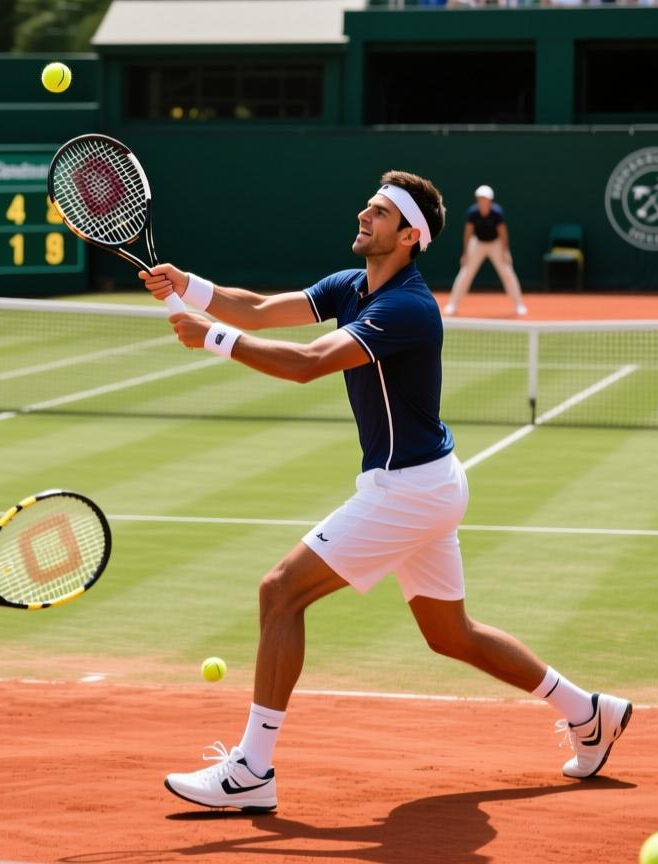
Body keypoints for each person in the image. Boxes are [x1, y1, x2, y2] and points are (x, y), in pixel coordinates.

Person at [141, 170, 631, 813]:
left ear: (408, 235)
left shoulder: (406, 307)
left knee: (280, 592)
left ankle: (252, 771)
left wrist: (213, 338)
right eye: (368, 207)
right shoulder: (351, 286)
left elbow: (311, 362)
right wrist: (191, 288)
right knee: (450, 634)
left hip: (408, 490)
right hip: (429, 480)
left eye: (378, 212)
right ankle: (589, 711)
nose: (363, 215)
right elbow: (261, 309)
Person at [443, 185, 527, 317]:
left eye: (485, 199)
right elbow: (468, 233)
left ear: (490, 200)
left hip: (495, 243)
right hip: (477, 243)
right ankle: (452, 305)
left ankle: (519, 305)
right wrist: (465, 253)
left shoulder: (497, 213)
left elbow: (503, 233)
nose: (483, 201)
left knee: (507, 273)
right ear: (477, 200)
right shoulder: (473, 213)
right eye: (480, 199)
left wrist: (505, 252)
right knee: (465, 273)